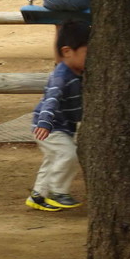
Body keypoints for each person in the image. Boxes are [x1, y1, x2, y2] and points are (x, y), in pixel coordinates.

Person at [26, 20, 90, 212]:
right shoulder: (61, 75)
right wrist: (45, 123)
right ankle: (57, 192)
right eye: (87, 54)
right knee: (68, 154)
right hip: (50, 127)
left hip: (62, 126)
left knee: (53, 159)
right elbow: (50, 100)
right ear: (67, 51)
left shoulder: (76, 71)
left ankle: (38, 196)